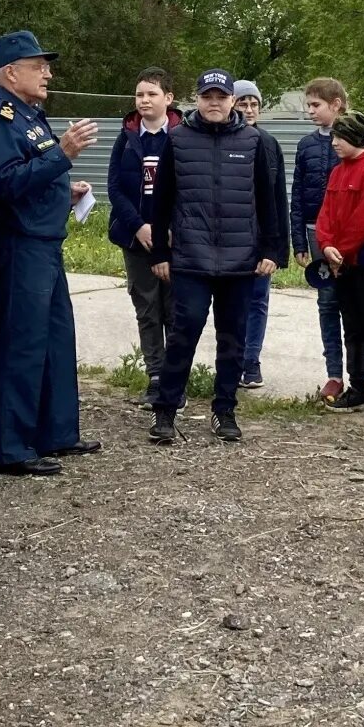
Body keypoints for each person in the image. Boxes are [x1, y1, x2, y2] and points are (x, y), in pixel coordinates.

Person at [0, 31, 100, 477]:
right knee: (22, 343)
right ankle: (9, 449)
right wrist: (63, 155)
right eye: (37, 65)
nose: (48, 72)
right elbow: (5, 184)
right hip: (19, 243)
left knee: (56, 339)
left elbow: (31, 178)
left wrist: (64, 188)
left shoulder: (29, 116)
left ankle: (55, 432)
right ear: (10, 73)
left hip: (43, 239)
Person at [147, 70, 288, 447]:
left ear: (231, 101)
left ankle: (224, 409)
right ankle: (166, 411)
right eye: (207, 96)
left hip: (240, 260)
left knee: (233, 339)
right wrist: (160, 251)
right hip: (190, 258)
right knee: (183, 333)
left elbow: (268, 200)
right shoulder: (177, 140)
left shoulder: (254, 141)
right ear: (196, 99)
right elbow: (160, 202)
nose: (214, 103)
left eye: (221, 97)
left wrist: (272, 250)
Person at [106, 67, 180, 406]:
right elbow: (115, 187)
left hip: (174, 240)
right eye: (140, 95)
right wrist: (138, 225)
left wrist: (169, 228)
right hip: (135, 238)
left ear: (168, 98)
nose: (144, 100)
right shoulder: (127, 136)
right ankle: (155, 375)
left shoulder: (183, 136)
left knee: (175, 310)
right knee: (147, 308)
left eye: (151, 94)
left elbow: (191, 188)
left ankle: (175, 380)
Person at [316, 111, 364, 412]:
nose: (334, 142)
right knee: (351, 326)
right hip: (341, 261)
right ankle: (357, 385)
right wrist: (326, 246)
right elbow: (326, 213)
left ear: (355, 138)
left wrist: (341, 250)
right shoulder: (337, 172)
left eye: (339, 137)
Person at [293, 77, 356, 400]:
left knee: (355, 307)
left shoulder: (359, 142)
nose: (310, 112)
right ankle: (334, 374)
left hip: (350, 240)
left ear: (337, 105)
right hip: (315, 233)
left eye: (316, 105)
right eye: (309, 106)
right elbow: (298, 194)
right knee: (327, 304)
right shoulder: (306, 145)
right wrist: (299, 241)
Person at [234, 79, 287, 390]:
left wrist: (277, 248)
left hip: (260, 239)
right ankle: (232, 359)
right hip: (230, 239)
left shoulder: (269, 144)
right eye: (243, 103)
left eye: (254, 104)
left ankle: (251, 361)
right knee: (232, 302)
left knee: (257, 301)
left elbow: (278, 198)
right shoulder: (221, 141)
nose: (249, 109)